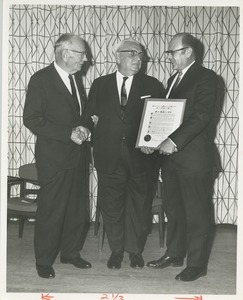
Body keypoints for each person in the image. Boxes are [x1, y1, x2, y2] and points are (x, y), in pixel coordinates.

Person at [84, 38, 164, 269]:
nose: (138, 59)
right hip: (108, 155)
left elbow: (161, 119)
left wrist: (156, 142)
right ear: (117, 56)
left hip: (142, 157)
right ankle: (116, 251)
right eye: (132, 53)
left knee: (140, 206)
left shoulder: (152, 84)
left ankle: (135, 251)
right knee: (112, 206)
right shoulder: (100, 84)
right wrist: (84, 128)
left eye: (140, 55)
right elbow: (90, 115)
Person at [146, 33, 218, 281]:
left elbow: (201, 117)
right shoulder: (173, 79)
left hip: (194, 159)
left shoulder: (208, 78)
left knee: (197, 213)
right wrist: (152, 139)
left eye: (173, 52)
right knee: (174, 209)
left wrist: (173, 141)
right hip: (172, 160)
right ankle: (175, 254)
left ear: (188, 52)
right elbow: (168, 117)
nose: (170, 58)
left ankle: (197, 265)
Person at [23, 33, 92, 279]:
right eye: (81, 54)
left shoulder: (76, 79)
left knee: (76, 208)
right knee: (52, 209)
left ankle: (70, 253)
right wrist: (67, 133)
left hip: (79, 156)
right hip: (54, 157)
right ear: (65, 54)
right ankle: (44, 260)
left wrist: (85, 126)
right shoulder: (41, 79)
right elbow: (31, 119)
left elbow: (81, 114)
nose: (85, 59)